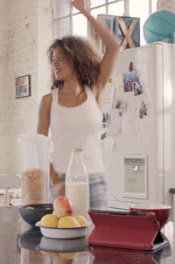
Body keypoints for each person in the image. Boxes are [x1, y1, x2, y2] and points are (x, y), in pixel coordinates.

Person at [37, 0, 120, 209]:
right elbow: (38, 147)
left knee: (97, 236)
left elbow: (113, 47)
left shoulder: (95, 89)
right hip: (61, 179)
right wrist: (56, 183)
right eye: (53, 59)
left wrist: (85, 12)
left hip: (95, 180)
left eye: (61, 58)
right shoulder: (48, 101)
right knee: (62, 236)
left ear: (76, 58)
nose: (55, 63)